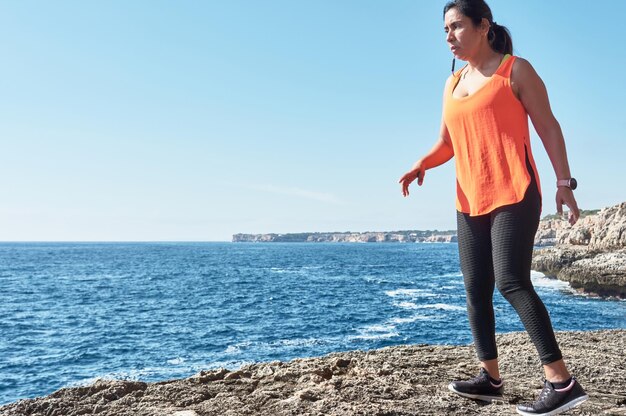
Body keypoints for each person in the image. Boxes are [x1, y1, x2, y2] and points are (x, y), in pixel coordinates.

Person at [398, 1, 589, 415]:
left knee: (511, 282)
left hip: (515, 192)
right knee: (475, 287)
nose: (448, 36)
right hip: (469, 198)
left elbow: (549, 126)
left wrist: (563, 183)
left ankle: (562, 382)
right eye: (444, 29)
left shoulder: (515, 71)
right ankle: (490, 378)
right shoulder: (452, 83)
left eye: (456, 27)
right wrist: (420, 164)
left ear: (483, 26)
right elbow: (447, 142)